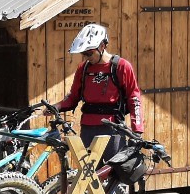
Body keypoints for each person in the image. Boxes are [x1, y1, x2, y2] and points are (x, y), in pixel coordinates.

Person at [54, 23, 144, 160]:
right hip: (88, 128)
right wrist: (58, 106)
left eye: (89, 53)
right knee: (88, 176)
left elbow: (134, 98)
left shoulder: (121, 66)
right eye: (83, 53)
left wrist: (137, 131)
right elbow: (73, 97)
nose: (86, 57)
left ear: (102, 46)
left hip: (112, 128)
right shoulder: (83, 69)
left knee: (114, 173)